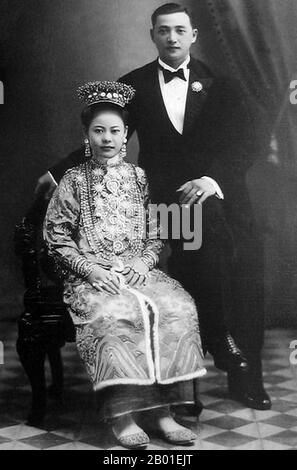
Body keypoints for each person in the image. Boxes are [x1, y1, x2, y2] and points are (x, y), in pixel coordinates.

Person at [37, 3, 270, 410]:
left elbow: (247, 142)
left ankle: (244, 377)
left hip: (218, 200)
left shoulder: (223, 83)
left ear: (194, 35)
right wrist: (57, 173)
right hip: (164, 208)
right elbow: (105, 135)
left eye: (180, 30)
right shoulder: (135, 85)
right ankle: (190, 375)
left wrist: (210, 180)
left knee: (240, 273)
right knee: (192, 263)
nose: (172, 38)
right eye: (164, 31)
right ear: (153, 36)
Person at [43, 80, 206, 449]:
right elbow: (57, 238)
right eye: (98, 130)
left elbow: (154, 234)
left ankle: (164, 412)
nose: (107, 138)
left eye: (115, 131)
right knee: (116, 315)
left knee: (176, 307)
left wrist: (145, 263)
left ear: (125, 135)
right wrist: (91, 270)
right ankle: (123, 415)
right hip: (91, 276)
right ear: (87, 134)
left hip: (137, 272)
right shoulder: (72, 180)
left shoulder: (138, 177)